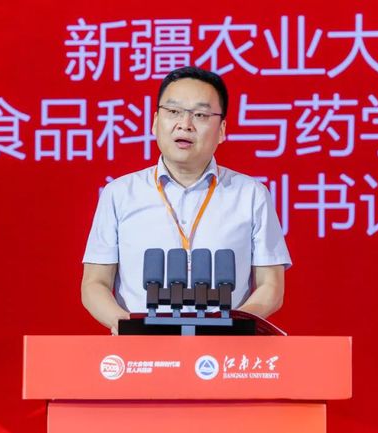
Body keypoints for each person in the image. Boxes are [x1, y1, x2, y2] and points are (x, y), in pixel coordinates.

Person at [81, 67, 291, 334]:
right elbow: (95, 283)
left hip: (224, 350)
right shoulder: (119, 193)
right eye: (173, 111)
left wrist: (230, 327)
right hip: (140, 349)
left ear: (222, 129)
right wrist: (126, 325)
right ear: (155, 122)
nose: (185, 124)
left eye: (200, 115)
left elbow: (271, 286)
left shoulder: (251, 194)